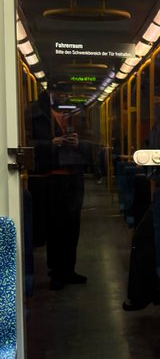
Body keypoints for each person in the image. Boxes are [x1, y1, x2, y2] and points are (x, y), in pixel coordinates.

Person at [29, 89, 88, 290]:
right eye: (58, 90)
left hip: (74, 176)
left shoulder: (79, 113)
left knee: (73, 227)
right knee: (55, 228)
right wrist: (50, 144)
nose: (62, 95)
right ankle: (56, 273)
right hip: (51, 178)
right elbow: (25, 144)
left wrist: (79, 143)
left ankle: (69, 270)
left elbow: (96, 142)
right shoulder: (35, 113)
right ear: (49, 91)